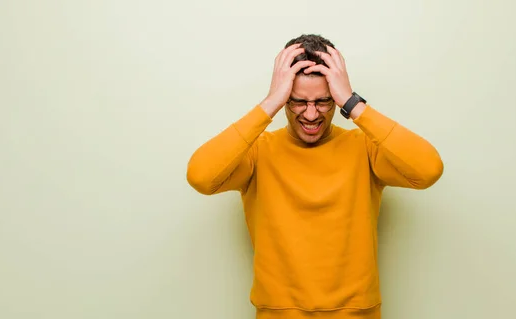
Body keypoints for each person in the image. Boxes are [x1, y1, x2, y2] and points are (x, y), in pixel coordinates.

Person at [186, 34, 444, 319]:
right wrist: (270, 103)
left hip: (357, 313)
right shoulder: (257, 153)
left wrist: (352, 103)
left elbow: (428, 170)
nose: (311, 114)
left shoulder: (365, 148)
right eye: (297, 102)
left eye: (323, 101)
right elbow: (201, 176)